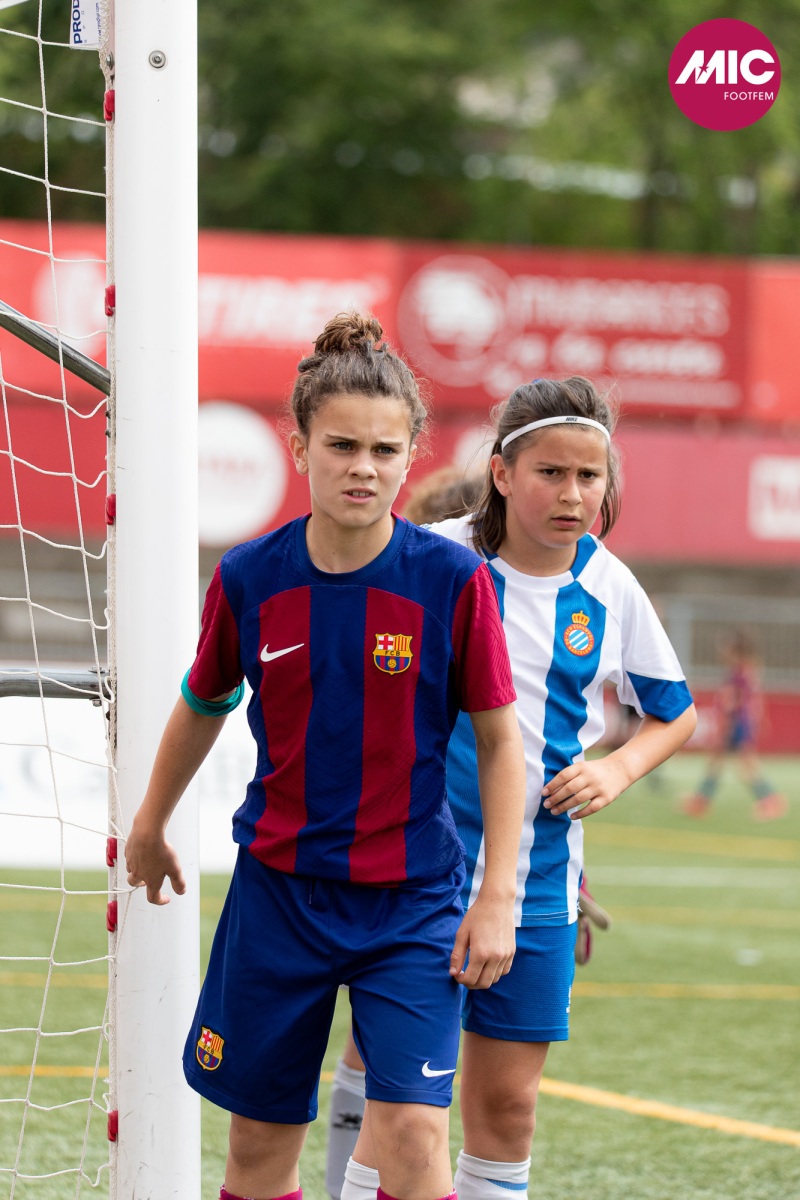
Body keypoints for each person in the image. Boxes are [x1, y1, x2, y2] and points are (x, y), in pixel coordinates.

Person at [124, 312, 527, 1200]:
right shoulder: (250, 577)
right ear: (299, 444)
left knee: (415, 1138)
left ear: (412, 455)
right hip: (278, 895)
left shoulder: (453, 582)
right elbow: (204, 702)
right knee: (258, 1147)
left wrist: (497, 892)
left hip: (412, 901)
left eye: (385, 450)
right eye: (342, 445)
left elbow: (503, 743)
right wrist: (150, 823)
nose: (363, 467)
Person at [338, 376, 697, 1200]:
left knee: (508, 1108)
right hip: (416, 882)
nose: (572, 494)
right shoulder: (430, 557)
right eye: (550, 473)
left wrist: (616, 767)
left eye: (589, 476)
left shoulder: (610, 587)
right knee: (405, 1115)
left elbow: (674, 714)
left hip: (538, 888)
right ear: (502, 473)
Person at [683, 630, 786, 820]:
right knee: (718, 762)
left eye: (726, 646)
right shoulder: (744, 670)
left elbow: (737, 702)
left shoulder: (740, 673)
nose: (721, 650)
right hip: (740, 723)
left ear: (735, 650)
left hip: (738, 724)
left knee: (746, 765)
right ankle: (701, 800)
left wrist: (729, 725)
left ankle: (769, 800)